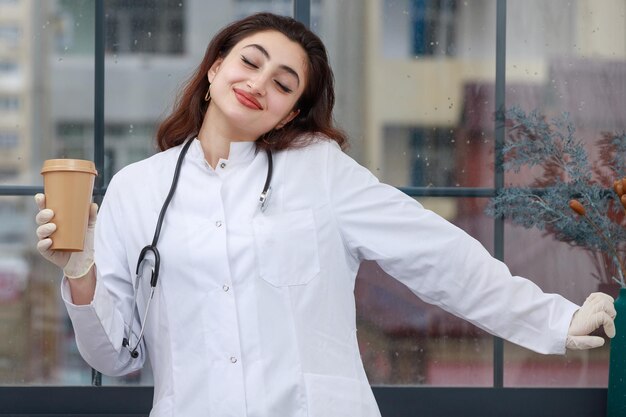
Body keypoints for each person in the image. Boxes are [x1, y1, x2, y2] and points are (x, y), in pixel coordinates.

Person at [34, 12, 616, 417]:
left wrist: (553, 321)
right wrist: (79, 269)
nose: (259, 84)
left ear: (289, 114)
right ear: (214, 69)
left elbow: (438, 256)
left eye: (283, 84)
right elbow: (116, 354)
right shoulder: (138, 190)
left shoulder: (322, 171)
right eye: (249, 62)